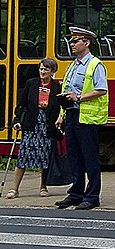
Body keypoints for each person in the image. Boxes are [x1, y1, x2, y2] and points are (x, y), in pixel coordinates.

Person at [54, 27, 109, 211]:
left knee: (90, 157)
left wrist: (79, 98)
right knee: (74, 156)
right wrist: (61, 116)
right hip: (71, 115)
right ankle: (76, 193)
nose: (72, 44)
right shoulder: (73, 65)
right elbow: (67, 91)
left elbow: (101, 89)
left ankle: (92, 196)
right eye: (71, 41)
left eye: (75, 41)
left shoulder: (95, 64)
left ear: (86, 43)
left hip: (86, 117)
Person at [8, 58, 63, 199]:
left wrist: (60, 120)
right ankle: (14, 189)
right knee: (23, 156)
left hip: (47, 125)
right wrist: (17, 120)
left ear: (52, 71)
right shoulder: (31, 84)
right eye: (41, 69)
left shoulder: (57, 87)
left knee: (45, 157)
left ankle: (43, 186)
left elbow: (60, 107)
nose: (42, 71)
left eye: (45, 69)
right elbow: (22, 104)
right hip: (31, 123)